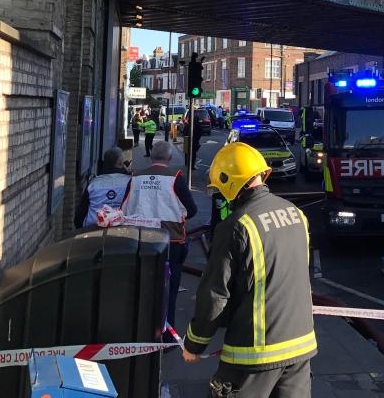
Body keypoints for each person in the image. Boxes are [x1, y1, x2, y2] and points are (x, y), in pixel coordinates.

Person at [182, 143, 316, 397]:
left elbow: (215, 295)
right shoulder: (296, 214)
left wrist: (194, 344)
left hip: (255, 353)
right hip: (301, 345)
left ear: (229, 182)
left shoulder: (235, 226)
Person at [122, 140, 197, 331]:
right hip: (171, 241)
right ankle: (167, 335)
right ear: (170, 158)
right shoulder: (176, 177)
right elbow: (192, 210)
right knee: (169, 291)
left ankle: (140, 333)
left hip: (142, 241)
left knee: (142, 289)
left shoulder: (136, 177)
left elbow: (123, 208)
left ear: (152, 157)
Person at [73, 146, 131, 229]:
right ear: (121, 163)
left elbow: (81, 212)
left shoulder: (93, 183)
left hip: (92, 229)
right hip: (121, 229)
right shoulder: (130, 182)